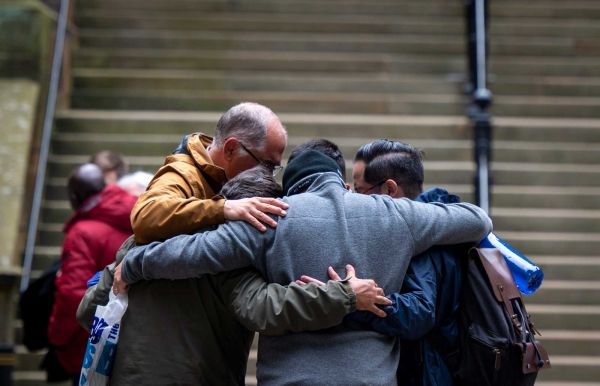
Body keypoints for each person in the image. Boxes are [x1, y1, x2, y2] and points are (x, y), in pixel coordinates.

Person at [119, 143, 493, 385]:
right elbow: (477, 220)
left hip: (289, 378)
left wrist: (134, 264)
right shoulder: (398, 215)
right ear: (338, 177)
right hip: (372, 378)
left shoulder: (272, 217)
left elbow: (193, 253)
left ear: (293, 184)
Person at [105, 104, 387, 385]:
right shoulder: (188, 181)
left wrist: (129, 266)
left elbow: (91, 303)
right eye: (266, 164)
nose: (270, 174)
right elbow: (262, 306)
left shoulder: (151, 238)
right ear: (230, 149)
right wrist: (344, 295)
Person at [350, 139, 466, 386]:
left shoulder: (419, 239)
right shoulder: (440, 224)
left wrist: (356, 302)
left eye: (359, 191)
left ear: (390, 190)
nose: (351, 199)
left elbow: (420, 312)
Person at [47, 163, 136, 384]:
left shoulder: (82, 232)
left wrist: (56, 337)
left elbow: (71, 292)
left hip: (89, 341)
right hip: (130, 334)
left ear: (76, 197)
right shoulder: (136, 213)